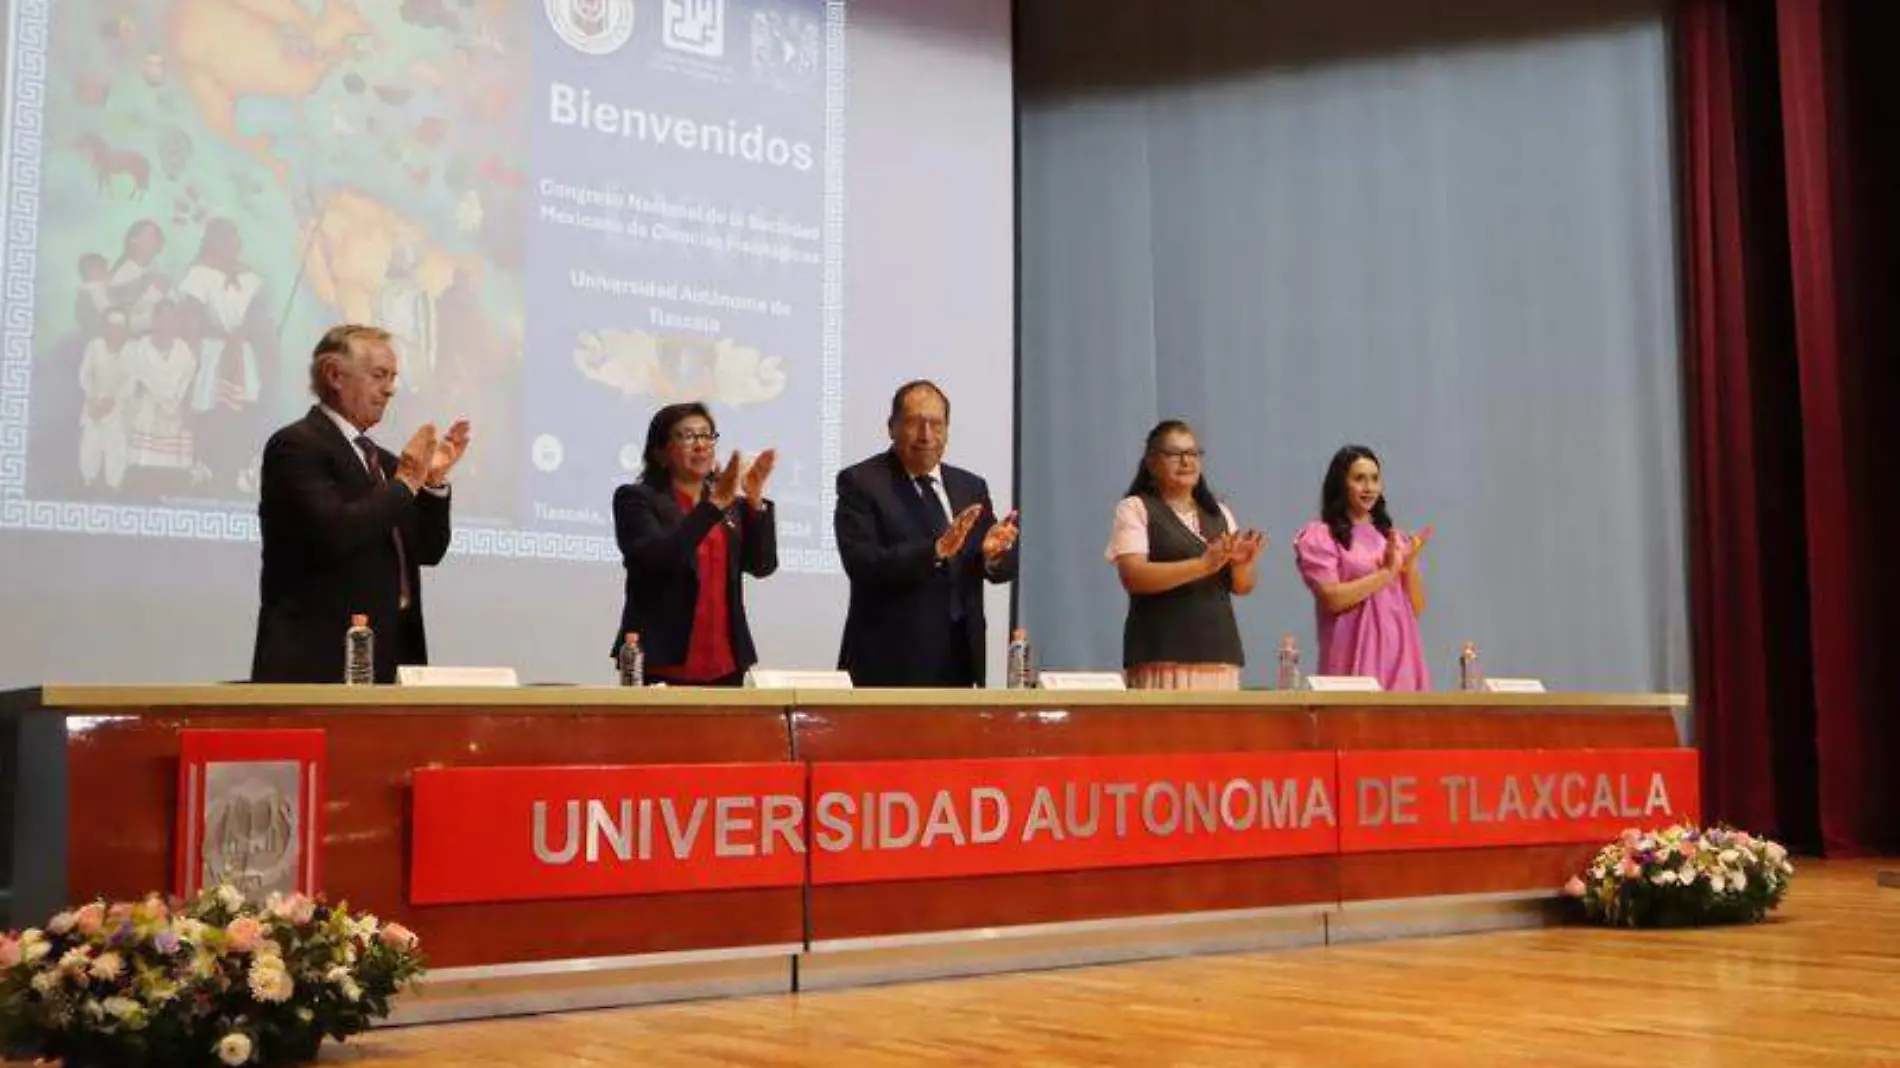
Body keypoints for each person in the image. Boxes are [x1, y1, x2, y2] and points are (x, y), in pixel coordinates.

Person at [251, 324, 470, 684]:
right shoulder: (297, 446)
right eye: (379, 375)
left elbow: (428, 550)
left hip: (392, 659)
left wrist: (431, 483)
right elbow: (335, 531)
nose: (390, 389)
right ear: (334, 375)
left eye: (393, 377)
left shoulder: (382, 462)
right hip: (319, 663)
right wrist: (406, 482)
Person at [835, 380, 1020, 686]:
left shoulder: (970, 487)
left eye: (936, 424)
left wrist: (994, 555)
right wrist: (934, 551)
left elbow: (1001, 570)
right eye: (914, 423)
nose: (926, 435)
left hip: (961, 662)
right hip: (889, 665)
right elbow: (862, 563)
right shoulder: (862, 482)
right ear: (892, 427)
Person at [612, 403, 779, 686]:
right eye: (688, 436)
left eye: (707, 436)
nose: (701, 445)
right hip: (664, 661)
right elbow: (658, 560)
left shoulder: (729, 505)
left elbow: (762, 565)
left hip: (726, 662)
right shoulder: (636, 500)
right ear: (661, 453)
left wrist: (754, 501)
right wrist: (712, 506)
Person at [1106, 420, 1266, 690]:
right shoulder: (1136, 508)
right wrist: (1202, 565)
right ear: (1152, 462)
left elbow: (1242, 587)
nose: (1186, 461)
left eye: (1193, 454)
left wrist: (1242, 564)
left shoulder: (1219, 512)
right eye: (1174, 454)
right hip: (1161, 653)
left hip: (1218, 654)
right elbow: (1134, 576)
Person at [1292, 444, 1434, 691]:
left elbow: (1416, 608)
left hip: (1401, 660)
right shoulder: (1322, 536)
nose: (1369, 487)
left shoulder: (1393, 538)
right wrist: (1385, 574)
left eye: (1375, 479)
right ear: (1341, 484)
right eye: (1359, 479)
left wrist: (1408, 565)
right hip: (1351, 663)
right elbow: (1332, 598)